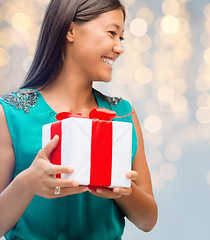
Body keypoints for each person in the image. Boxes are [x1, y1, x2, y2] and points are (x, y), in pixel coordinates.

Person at [0, 0, 157, 239]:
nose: (119, 47)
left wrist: (123, 190)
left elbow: (148, 221)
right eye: (112, 33)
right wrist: (28, 183)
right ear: (71, 30)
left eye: (121, 38)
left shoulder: (123, 114)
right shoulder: (12, 113)